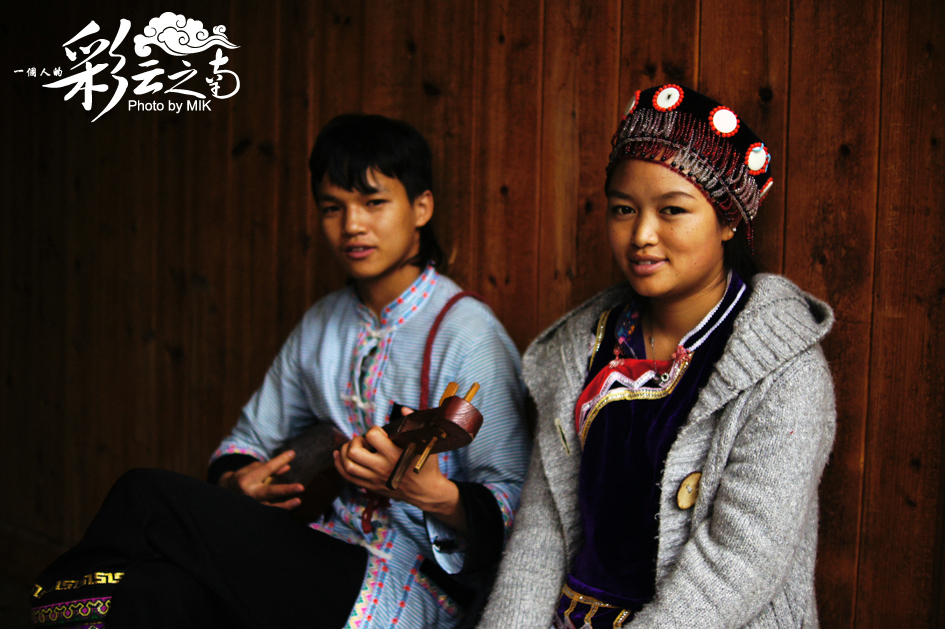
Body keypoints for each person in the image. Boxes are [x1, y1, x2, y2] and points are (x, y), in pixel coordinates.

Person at [30, 114, 530, 629]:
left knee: (145, 495)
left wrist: (434, 495)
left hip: (408, 589)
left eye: (373, 202)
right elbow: (245, 440)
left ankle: (49, 603)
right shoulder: (322, 323)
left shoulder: (468, 333)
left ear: (421, 206)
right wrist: (238, 482)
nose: (352, 225)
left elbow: (515, 502)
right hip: (313, 548)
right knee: (152, 589)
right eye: (332, 207)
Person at [476, 85, 836, 628]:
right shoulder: (583, 348)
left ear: (728, 221)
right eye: (624, 210)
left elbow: (737, 564)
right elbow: (543, 531)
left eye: (672, 210)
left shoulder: (783, 371)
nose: (642, 234)